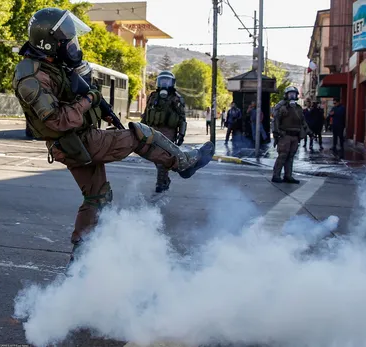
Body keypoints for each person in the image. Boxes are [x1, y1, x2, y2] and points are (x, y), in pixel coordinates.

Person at [12, 7, 214, 266]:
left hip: (75, 140)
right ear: (49, 43)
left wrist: (100, 108)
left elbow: (72, 91)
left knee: (97, 197)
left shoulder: (50, 65)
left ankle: (80, 256)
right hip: (75, 141)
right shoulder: (32, 76)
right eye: (66, 41)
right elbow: (58, 120)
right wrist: (89, 99)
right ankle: (183, 163)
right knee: (140, 135)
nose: (72, 46)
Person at [141, 71, 187, 193]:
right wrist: (140, 127)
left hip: (168, 132)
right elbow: (146, 114)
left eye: (167, 81)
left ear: (172, 83)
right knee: (156, 157)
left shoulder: (176, 98)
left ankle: (161, 184)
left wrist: (181, 135)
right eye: (162, 81)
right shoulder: (153, 96)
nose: (164, 84)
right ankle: (165, 180)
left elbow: (182, 118)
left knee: (161, 158)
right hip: (153, 130)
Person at [272, 86, 311, 184]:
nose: (292, 96)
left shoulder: (298, 108)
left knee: (290, 156)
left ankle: (288, 176)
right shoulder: (282, 108)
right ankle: (276, 175)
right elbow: (276, 121)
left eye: (294, 94)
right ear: (286, 96)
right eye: (290, 94)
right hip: (285, 135)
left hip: (295, 136)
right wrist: (277, 133)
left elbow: (303, 122)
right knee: (283, 156)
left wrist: (309, 132)